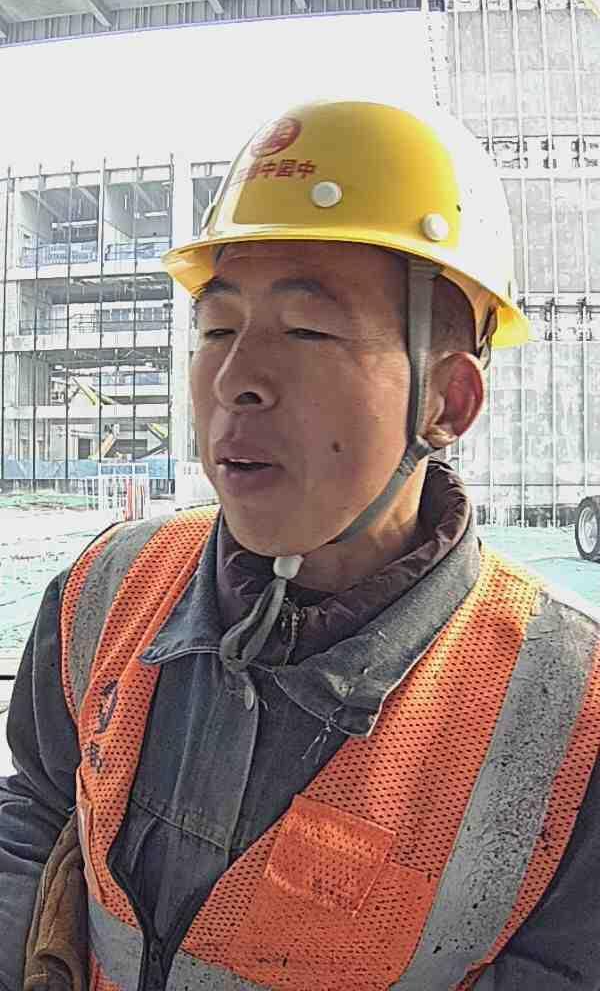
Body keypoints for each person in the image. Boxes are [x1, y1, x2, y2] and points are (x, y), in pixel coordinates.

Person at [1, 100, 599, 991]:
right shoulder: (106, 588)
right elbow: (38, 810)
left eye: (308, 331)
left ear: (448, 402)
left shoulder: (568, 715)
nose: (236, 379)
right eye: (216, 329)